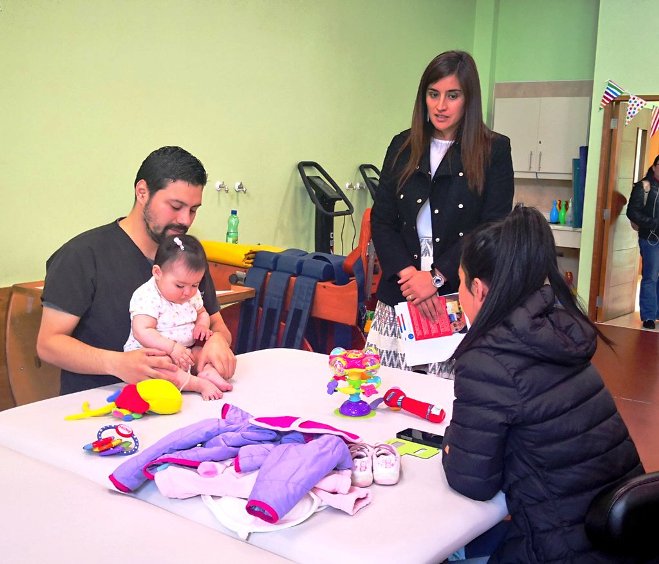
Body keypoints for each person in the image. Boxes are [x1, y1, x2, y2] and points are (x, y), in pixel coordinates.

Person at [442, 205, 643, 562]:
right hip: (620, 544)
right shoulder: (559, 332)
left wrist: (450, 443)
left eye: (459, 282)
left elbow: (471, 481)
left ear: (478, 288)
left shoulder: (487, 361)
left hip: (558, 550)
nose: (458, 294)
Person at [37, 146, 236, 395]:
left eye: (194, 210)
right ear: (142, 192)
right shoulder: (82, 255)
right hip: (101, 406)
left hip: (183, 400)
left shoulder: (187, 256)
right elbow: (48, 344)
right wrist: (117, 364)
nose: (185, 220)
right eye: (175, 206)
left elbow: (217, 325)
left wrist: (217, 341)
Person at [368, 50, 514, 375]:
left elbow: (491, 228)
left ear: (468, 99)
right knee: (386, 396)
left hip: (456, 295)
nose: (440, 106)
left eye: (452, 95)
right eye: (433, 94)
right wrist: (411, 277)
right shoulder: (403, 145)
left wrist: (434, 279)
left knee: (445, 404)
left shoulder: (494, 150)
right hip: (402, 291)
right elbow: (382, 220)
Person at [124, 234, 232, 400]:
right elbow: (142, 331)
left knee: (201, 354)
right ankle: (197, 384)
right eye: (179, 285)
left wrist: (202, 325)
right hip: (152, 355)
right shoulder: (148, 295)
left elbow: (202, 312)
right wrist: (171, 348)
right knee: (162, 367)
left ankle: (208, 372)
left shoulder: (191, 293)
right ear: (157, 273)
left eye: (195, 285)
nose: (187, 292)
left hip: (185, 351)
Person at [626, 154, 659, 330]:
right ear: (654, 167)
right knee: (651, 276)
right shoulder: (644, 187)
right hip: (650, 238)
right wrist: (653, 223)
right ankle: (648, 316)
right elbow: (632, 212)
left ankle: (656, 312)